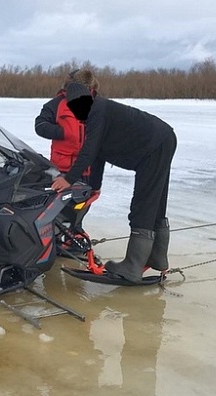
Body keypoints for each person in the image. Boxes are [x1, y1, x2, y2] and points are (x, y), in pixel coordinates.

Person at [50, 82, 177, 283]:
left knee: (144, 204)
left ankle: (132, 267)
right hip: (161, 140)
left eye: (78, 104)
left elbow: (89, 152)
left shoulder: (97, 111)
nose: (77, 109)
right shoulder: (94, 113)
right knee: (157, 202)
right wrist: (94, 188)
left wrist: (68, 179)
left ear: (87, 98)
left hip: (154, 146)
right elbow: (98, 155)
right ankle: (157, 258)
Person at [34, 69, 100, 255]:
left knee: (82, 204)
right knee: (59, 205)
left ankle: (74, 233)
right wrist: (61, 132)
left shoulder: (97, 105)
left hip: (87, 167)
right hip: (61, 167)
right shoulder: (56, 104)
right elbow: (40, 125)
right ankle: (55, 236)